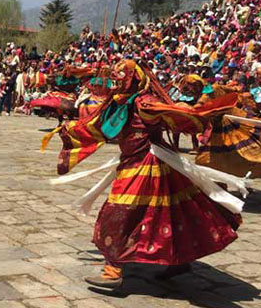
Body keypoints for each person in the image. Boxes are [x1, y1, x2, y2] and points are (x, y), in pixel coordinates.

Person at [46, 60, 245, 289]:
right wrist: (69, 130)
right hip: (134, 163)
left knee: (118, 215)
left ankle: (113, 271)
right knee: (168, 216)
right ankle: (178, 261)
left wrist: (202, 113)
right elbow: (98, 127)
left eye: (123, 75)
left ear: (134, 78)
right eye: (117, 75)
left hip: (149, 165)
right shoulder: (117, 102)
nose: (118, 79)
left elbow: (175, 116)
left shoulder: (144, 102)